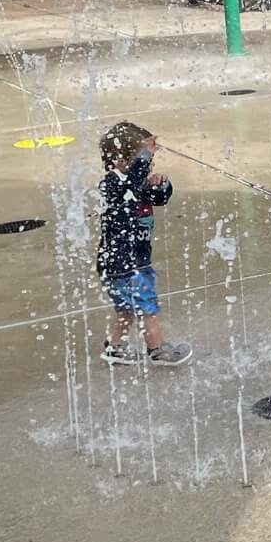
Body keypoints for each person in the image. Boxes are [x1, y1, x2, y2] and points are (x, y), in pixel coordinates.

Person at [98, 121, 191, 366]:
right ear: (119, 160)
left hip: (132, 260)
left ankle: (114, 348)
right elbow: (131, 180)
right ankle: (157, 350)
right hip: (124, 263)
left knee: (126, 309)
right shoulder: (113, 184)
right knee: (146, 307)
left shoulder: (135, 183)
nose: (147, 165)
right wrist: (144, 155)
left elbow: (160, 199)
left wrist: (160, 184)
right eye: (139, 159)